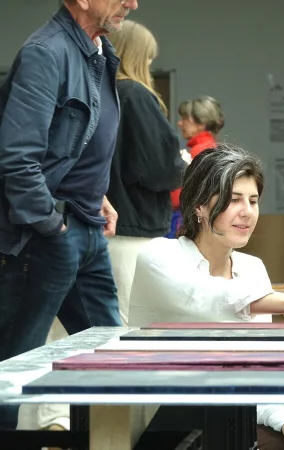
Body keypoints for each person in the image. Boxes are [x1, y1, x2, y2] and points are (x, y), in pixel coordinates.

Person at [129, 144, 284, 450]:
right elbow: (207, 297)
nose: (247, 212)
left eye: (253, 201)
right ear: (199, 206)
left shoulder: (252, 269)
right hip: (165, 420)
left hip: (231, 417)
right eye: (233, 200)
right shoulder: (159, 255)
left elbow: (261, 369)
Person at [0, 0, 139, 430]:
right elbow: (18, 159)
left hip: (85, 228)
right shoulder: (46, 53)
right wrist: (53, 226)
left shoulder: (99, 53)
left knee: (111, 357)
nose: (132, 3)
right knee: (11, 372)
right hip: (45, 235)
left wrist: (97, 194)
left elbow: (74, 146)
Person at [106, 20, 184, 326]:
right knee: (129, 326)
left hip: (105, 227)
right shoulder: (135, 94)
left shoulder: (103, 93)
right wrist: (183, 166)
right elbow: (160, 168)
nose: (150, 65)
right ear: (136, 55)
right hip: (132, 231)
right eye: (149, 57)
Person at [166, 96, 226, 238]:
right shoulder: (211, 148)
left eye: (185, 118)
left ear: (201, 122)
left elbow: (182, 195)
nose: (180, 123)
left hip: (183, 219)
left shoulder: (201, 151)